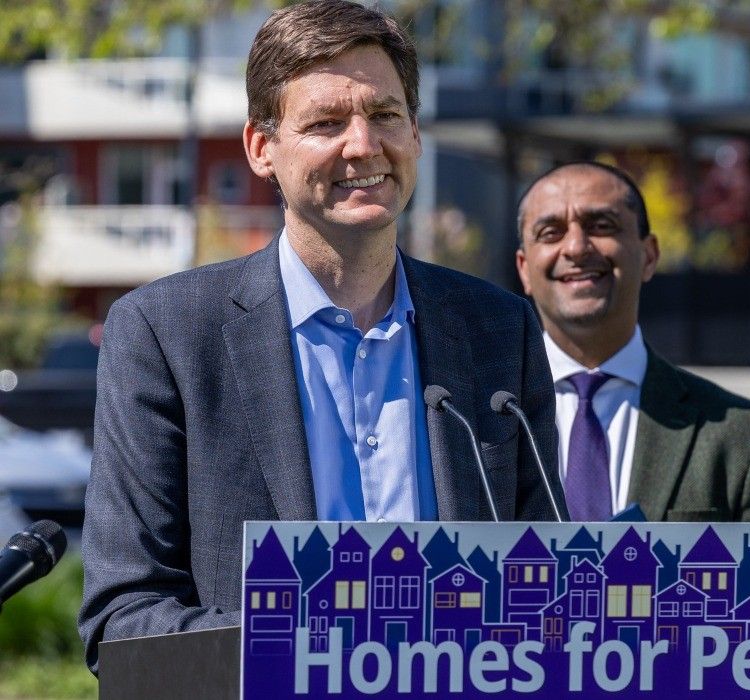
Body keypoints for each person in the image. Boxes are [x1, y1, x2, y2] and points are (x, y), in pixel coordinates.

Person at [78, 0, 562, 671]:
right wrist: (333, 644)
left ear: (416, 134)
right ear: (260, 148)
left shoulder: (498, 329)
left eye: (385, 115)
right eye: (326, 123)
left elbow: (550, 585)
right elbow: (125, 620)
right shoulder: (165, 335)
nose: (363, 146)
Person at [515, 161, 750, 523]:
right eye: (551, 232)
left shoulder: (742, 436)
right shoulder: (472, 423)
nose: (576, 246)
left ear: (649, 255)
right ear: (524, 268)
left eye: (601, 226)